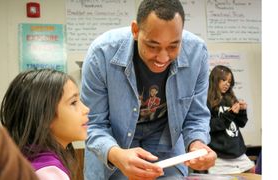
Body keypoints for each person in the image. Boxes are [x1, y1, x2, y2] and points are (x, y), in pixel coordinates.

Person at [80, 0, 217, 179]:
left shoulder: (196, 53)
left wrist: (197, 145)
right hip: (115, 142)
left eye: (173, 46)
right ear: (135, 30)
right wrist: (116, 154)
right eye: (152, 46)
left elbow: (196, 115)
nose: (162, 57)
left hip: (165, 138)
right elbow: (94, 124)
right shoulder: (102, 54)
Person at [0, 69, 90, 180]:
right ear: (45, 117)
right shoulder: (49, 174)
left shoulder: (24, 157)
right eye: (73, 102)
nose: (86, 109)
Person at [207, 65, 255, 174]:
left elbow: (241, 123)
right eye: (224, 80)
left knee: (252, 171)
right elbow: (210, 126)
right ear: (215, 80)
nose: (227, 84)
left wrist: (242, 111)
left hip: (237, 151)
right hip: (219, 155)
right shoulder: (207, 101)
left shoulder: (231, 98)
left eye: (229, 81)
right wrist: (230, 113)